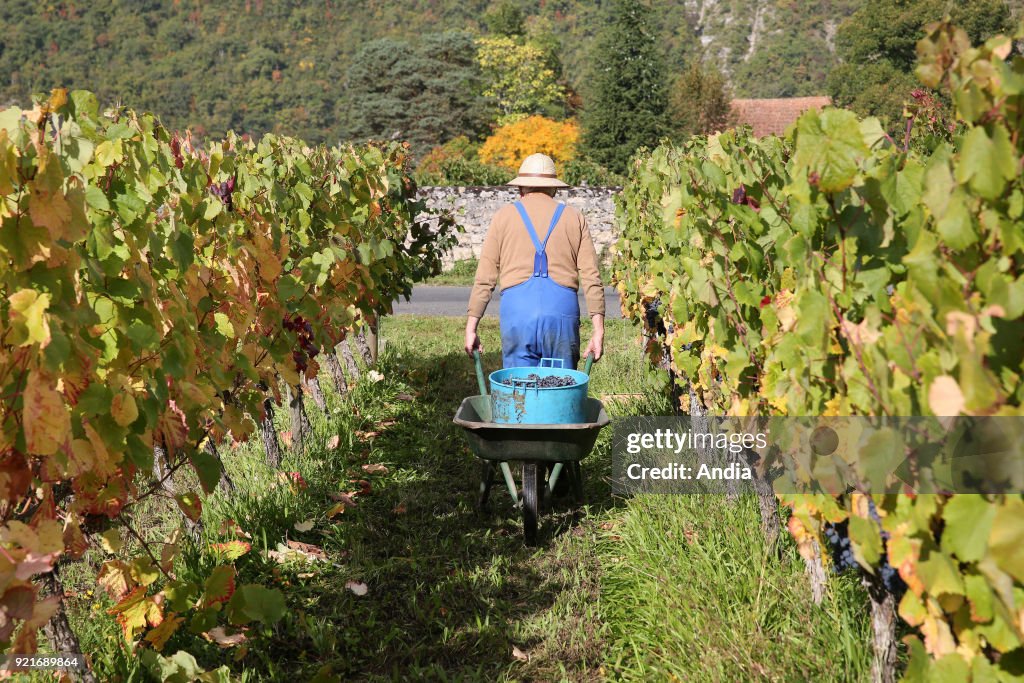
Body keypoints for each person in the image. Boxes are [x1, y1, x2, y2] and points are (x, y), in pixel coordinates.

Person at [464, 153, 604, 368]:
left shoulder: (503, 217)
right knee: (560, 389)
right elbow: (591, 276)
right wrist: (598, 330)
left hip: (518, 315)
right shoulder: (574, 218)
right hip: (561, 314)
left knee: (519, 391)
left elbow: (485, 277)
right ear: (554, 189)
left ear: (520, 189)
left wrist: (471, 327)